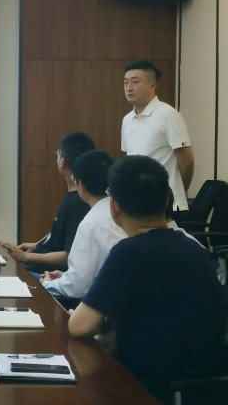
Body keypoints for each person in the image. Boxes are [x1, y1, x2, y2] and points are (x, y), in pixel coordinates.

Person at [69, 155, 225, 403]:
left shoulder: (128, 253)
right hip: (205, 391)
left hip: (150, 391)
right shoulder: (194, 248)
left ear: (114, 207)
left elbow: (79, 326)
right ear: (166, 201)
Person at [0, 132, 94, 274]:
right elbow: (59, 239)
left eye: (58, 154)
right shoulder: (73, 196)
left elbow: (69, 255)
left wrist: (25, 257)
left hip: (48, 274)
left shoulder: (79, 203)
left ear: (62, 162)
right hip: (39, 266)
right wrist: (36, 246)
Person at [41, 149, 126, 309]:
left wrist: (47, 284)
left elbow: (76, 288)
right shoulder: (121, 211)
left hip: (100, 308)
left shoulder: (90, 223)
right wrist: (66, 276)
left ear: (80, 184)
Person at [121, 60, 194, 217]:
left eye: (135, 82)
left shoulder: (168, 114)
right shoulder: (127, 119)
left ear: (152, 85)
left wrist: (178, 191)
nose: (129, 88)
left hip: (166, 203)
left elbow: (187, 160)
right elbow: (129, 159)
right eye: (126, 82)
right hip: (138, 201)